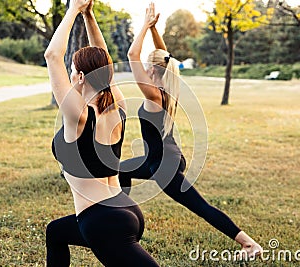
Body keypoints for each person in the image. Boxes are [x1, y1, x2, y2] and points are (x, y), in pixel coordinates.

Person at [120, 2, 263, 259]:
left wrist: (143, 26)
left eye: (145, 64)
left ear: (151, 69)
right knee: (119, 171)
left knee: (201, 207)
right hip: (158, 159)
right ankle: (121, 222)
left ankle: (249, 243)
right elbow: (164, 54)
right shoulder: (164, 86)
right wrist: (153, 28)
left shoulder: (154, 94)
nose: (141, 66)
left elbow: (132, 54)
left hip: (164, 167)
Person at [44, 0, 159, 266]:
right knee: (56, 232)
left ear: (81, 77)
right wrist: (89, 15)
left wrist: (73, 9)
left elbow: (52, 55)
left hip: (102, 221)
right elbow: (103, 57)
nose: (70, 75)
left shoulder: (78, 116)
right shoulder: (115, 105)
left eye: (73, 71)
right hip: (123, 208)